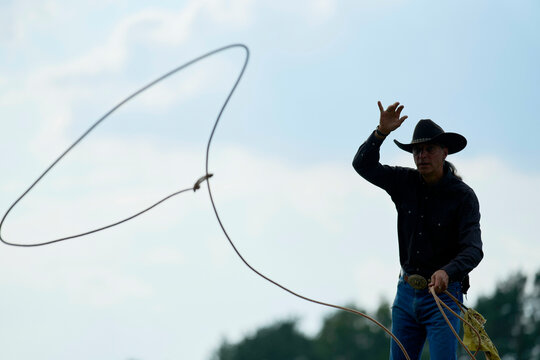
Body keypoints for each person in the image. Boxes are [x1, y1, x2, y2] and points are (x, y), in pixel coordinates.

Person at [352, 101, 484, 359]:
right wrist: (381, 133)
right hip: (406, 293)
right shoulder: (404, 182)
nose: (422, 156)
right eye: (417, 151)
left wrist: (448, 271)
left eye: (429, 149)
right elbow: (363, 166)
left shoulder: (464, 197)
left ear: (444, 152)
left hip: (444, 299)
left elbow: (473, 249)